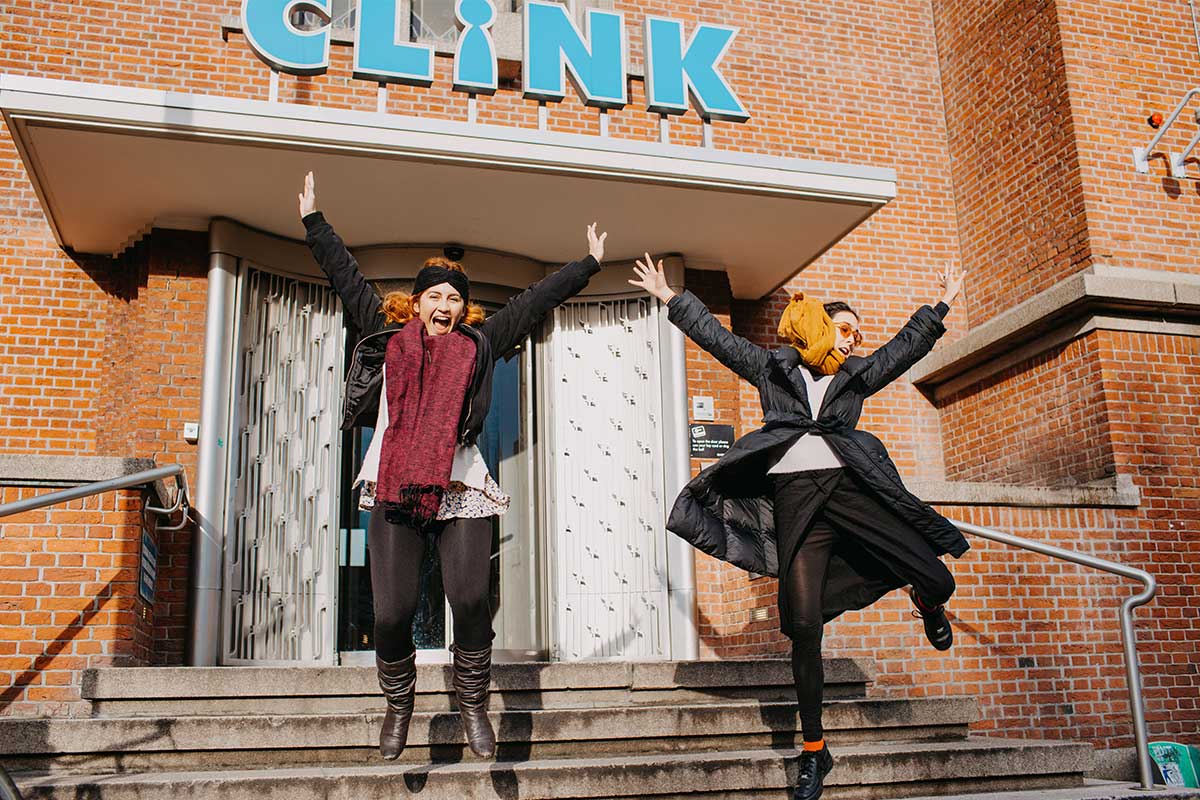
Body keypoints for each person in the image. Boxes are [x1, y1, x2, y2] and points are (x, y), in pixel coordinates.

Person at [629, 254, 968, 800]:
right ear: (820, 327)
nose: (855, 339)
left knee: (939, 578)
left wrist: (942, 304)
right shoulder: (774, 370)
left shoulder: (855, 377)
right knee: (804, 627)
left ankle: (927, 601)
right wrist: (672, 298)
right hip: (796, 502)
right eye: (846, 328)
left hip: (851, 492)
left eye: (859, 333)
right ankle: (814, 749)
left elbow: (904, 349)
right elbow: (720, 341)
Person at [299, 171, 607, 760]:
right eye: (435, 296)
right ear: (416, 303)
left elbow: (532, 304)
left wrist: (587, 265)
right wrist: (315, 222)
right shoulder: (386, 338)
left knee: (469, 601)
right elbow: (344, 276)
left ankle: (472, 704)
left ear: (464, 308)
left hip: (460, 483)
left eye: (454, 298)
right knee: (391, 612)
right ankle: (399, 704)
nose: (445, 305)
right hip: (394, 482)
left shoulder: (479, 344)